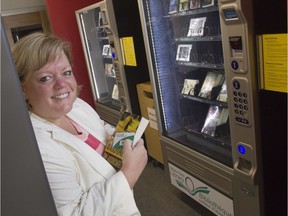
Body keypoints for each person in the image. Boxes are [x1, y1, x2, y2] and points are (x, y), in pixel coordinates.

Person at [12, 32, 148, 216]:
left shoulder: (76, 106)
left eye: (66, 73)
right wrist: (130, 172)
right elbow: (76, 212)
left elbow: (99, 128)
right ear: (22, 88)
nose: (62, 84)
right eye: (45, 78)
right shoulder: (37, 147)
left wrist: (124, 137)